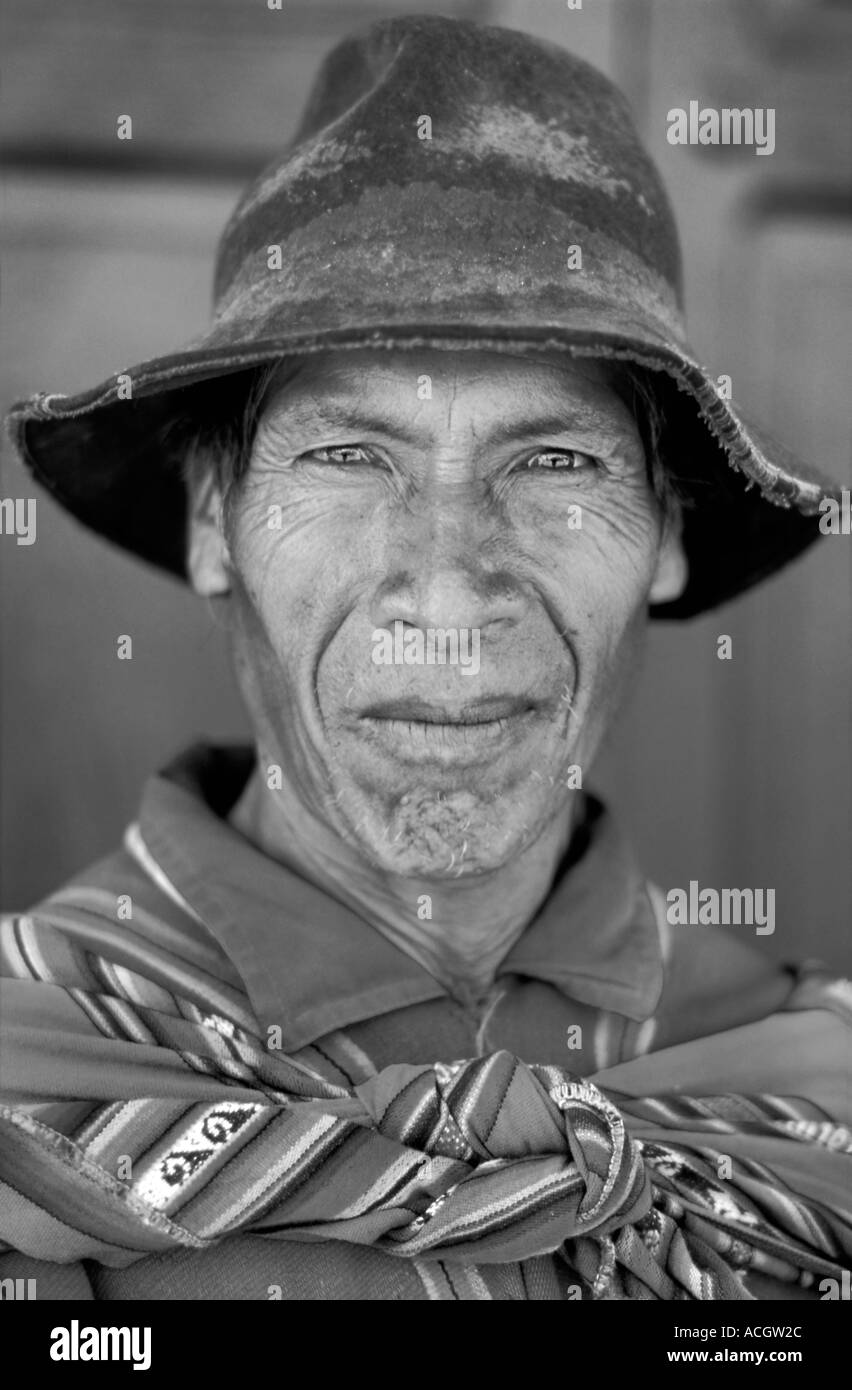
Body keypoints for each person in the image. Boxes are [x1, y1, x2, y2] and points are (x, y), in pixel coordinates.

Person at [1, 14, 849, 1302]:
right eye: (349, 457)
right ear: (213, 523)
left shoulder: (804, 1079)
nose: (449, 580)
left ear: (668, 537)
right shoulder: (34, 1071)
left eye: (554, 463)